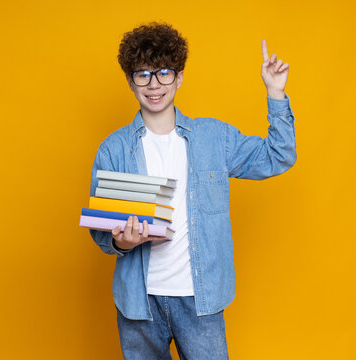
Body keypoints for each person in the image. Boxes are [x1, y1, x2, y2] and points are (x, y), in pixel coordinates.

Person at [89, 22, 296, 360]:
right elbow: (101, 234)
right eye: (143, 74)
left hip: (200, 301)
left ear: (180, 76)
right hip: (139, 305)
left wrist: (275, 93)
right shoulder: (112, 149)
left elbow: (279, 156)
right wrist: (121, 241)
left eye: (164, 73)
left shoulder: (215, 137)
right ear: (130, 80)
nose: (154, 85)